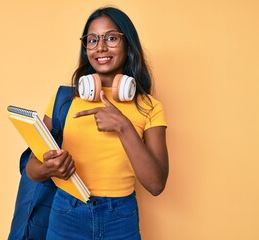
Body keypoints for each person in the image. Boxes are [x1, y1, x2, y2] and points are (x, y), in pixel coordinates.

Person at [26, 6, 169, 239]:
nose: (100, 47)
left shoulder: (149, 106)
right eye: (92, 40)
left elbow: (156, 184)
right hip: (66, 212)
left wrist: (123, 126)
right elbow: (32, 167)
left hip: (120, 218)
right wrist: (46, 169)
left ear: (128, 44)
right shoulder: (64, 99)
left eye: (111, 38)